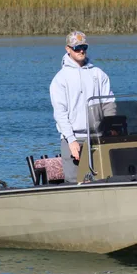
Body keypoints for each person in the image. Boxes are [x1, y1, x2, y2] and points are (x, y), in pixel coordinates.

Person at [50, 30, 113, 183]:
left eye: (84, 47)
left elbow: (109, 104)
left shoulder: (99, 74)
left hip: (98, 137)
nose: (81, 51)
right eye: (77, 47)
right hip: (73, 139)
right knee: (75, 181)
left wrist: (112, 131)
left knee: (105, 178)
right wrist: (71, 141)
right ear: (68, 49)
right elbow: (60, 113)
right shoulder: (60, 79)